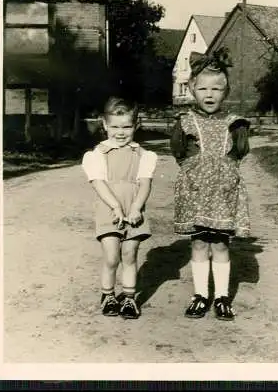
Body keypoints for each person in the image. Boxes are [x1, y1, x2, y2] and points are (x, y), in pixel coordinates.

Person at [170, 48, 251, 321]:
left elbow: (239, 152)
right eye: (202, 88)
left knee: (220, 245)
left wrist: (222, 174)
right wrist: (197, 172)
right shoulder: (186, 122)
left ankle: (222, 297)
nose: (209, 94)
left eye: (216, 89)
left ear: (225, 92)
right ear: (192, 89)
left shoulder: (234, 124)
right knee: (199, 243)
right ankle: (200, 294)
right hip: (196, 191)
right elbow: (179, 152)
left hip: (223, 193)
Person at [82, 97, 158, 319]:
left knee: (130, 254)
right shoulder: (97, 155)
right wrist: (115, 206)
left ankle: (129, 299)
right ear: (105, 125)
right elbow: (98, 183)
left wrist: (136, 208)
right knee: (112, 256)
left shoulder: (143, 155)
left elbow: (145, 183)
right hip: (109, 209)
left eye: (126, 126)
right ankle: (108, 295)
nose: (121, 132)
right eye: (115, 126)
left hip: (134, 210)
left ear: (135, 125)